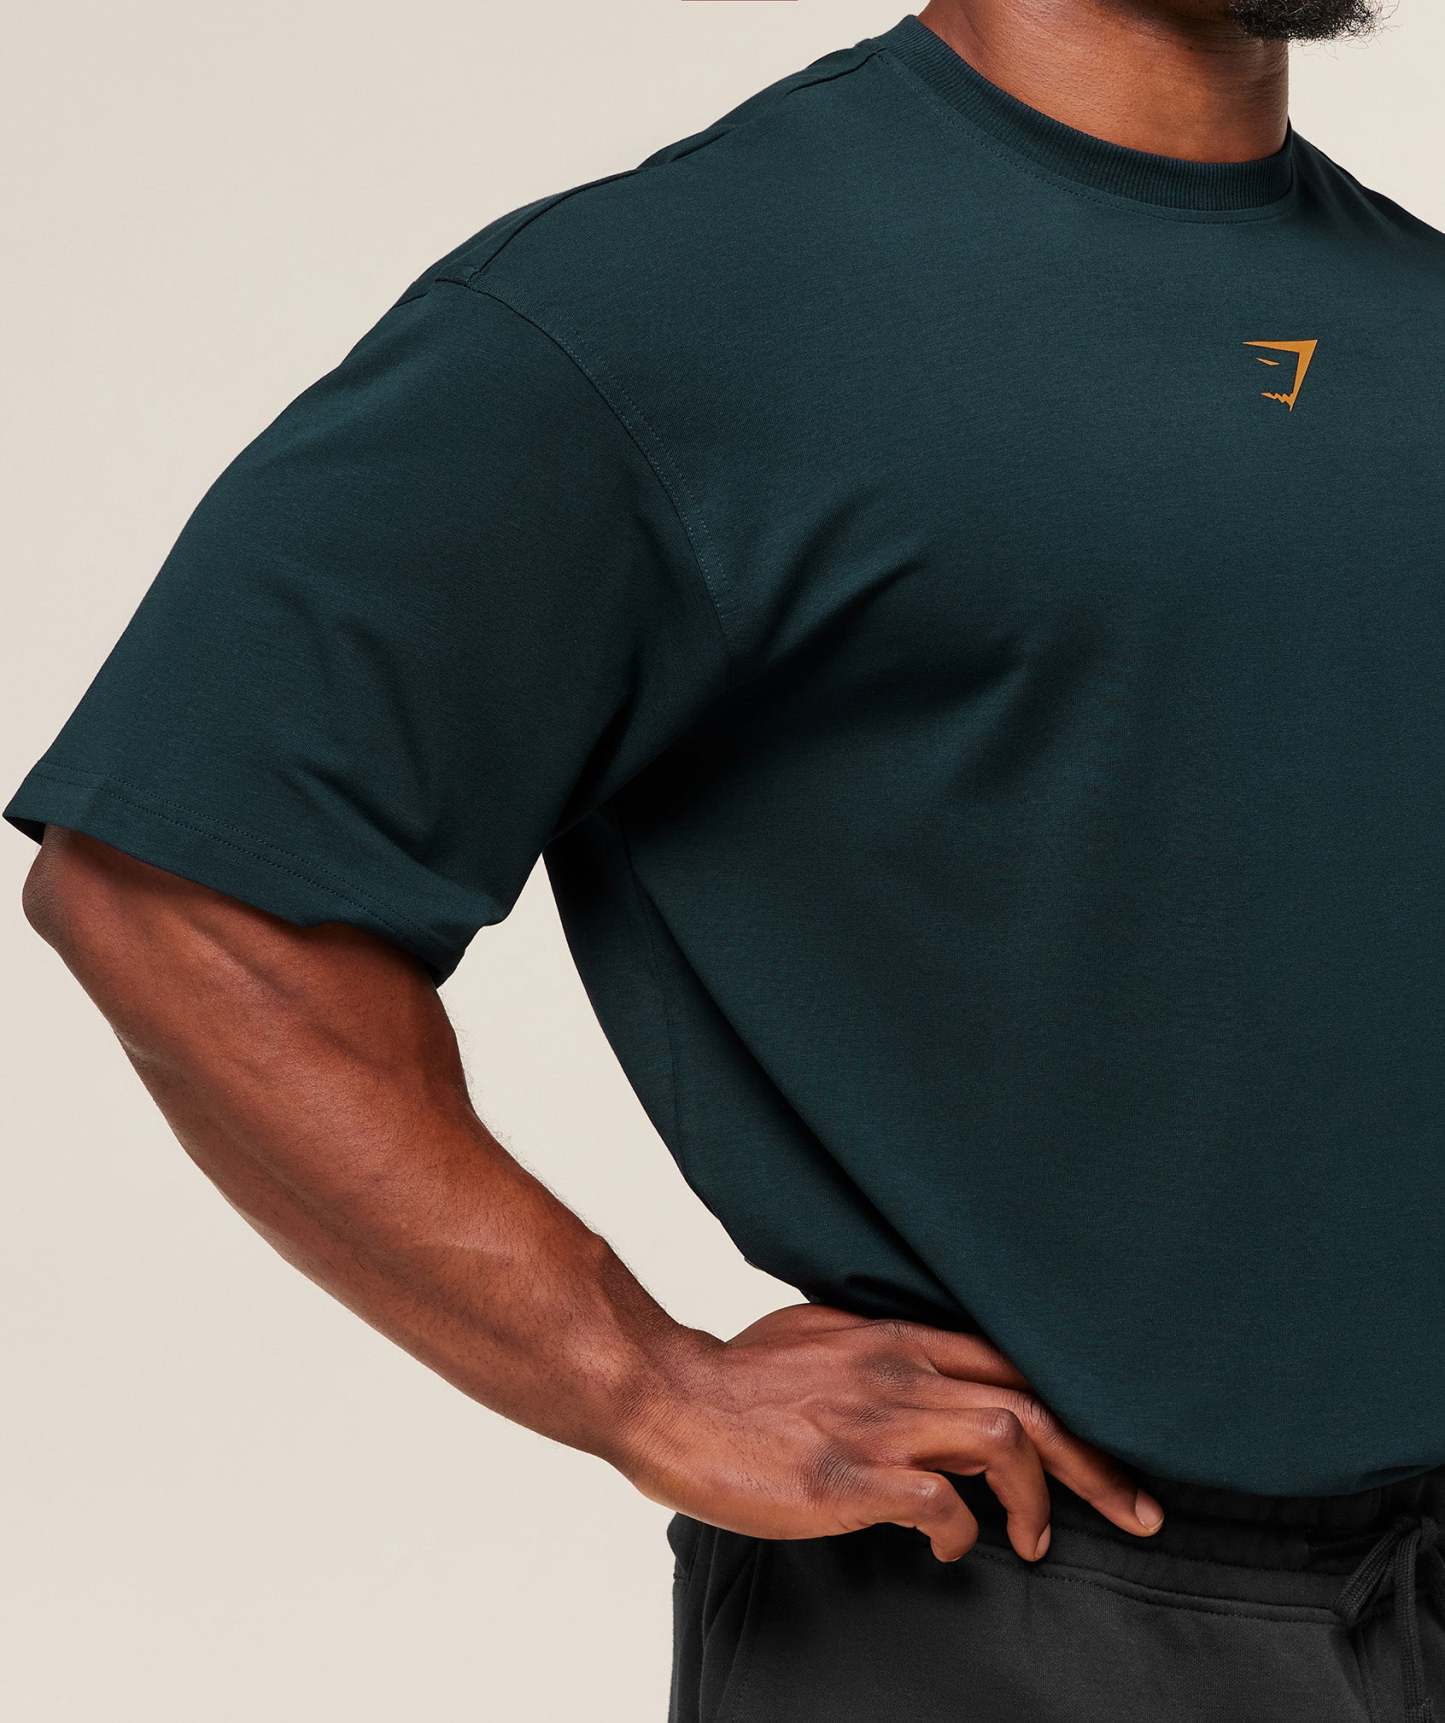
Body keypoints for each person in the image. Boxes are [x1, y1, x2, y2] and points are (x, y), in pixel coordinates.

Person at [11, 1, 1445, 1717]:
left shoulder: (1411, 309)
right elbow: (178, 892)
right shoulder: (663, 304)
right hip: (1013, 1597)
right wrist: (636, 1380)